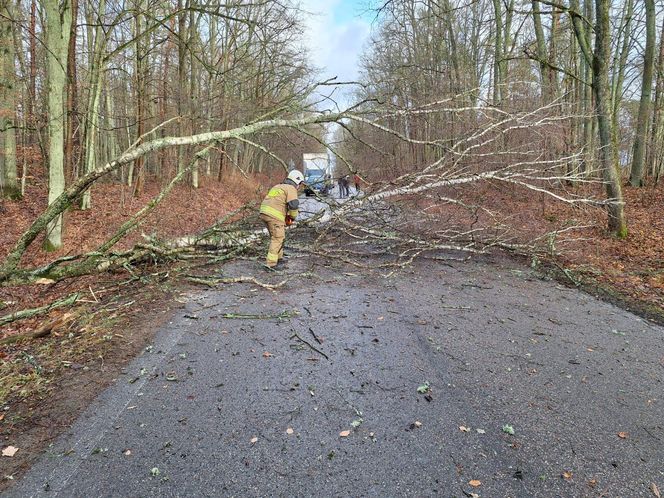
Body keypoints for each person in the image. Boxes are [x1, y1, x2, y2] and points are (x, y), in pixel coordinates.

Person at [259, 170, 303, 269]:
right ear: (297, 181)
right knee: (278, 238)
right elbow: (294, 205)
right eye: (299, 184)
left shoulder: (278, 186)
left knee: (277, 237)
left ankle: (279, 258)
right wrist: (292, 218)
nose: (299, 186)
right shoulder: (291, 188)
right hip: (274, 215)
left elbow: (279, 202)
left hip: (264, 212)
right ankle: (271, 264)